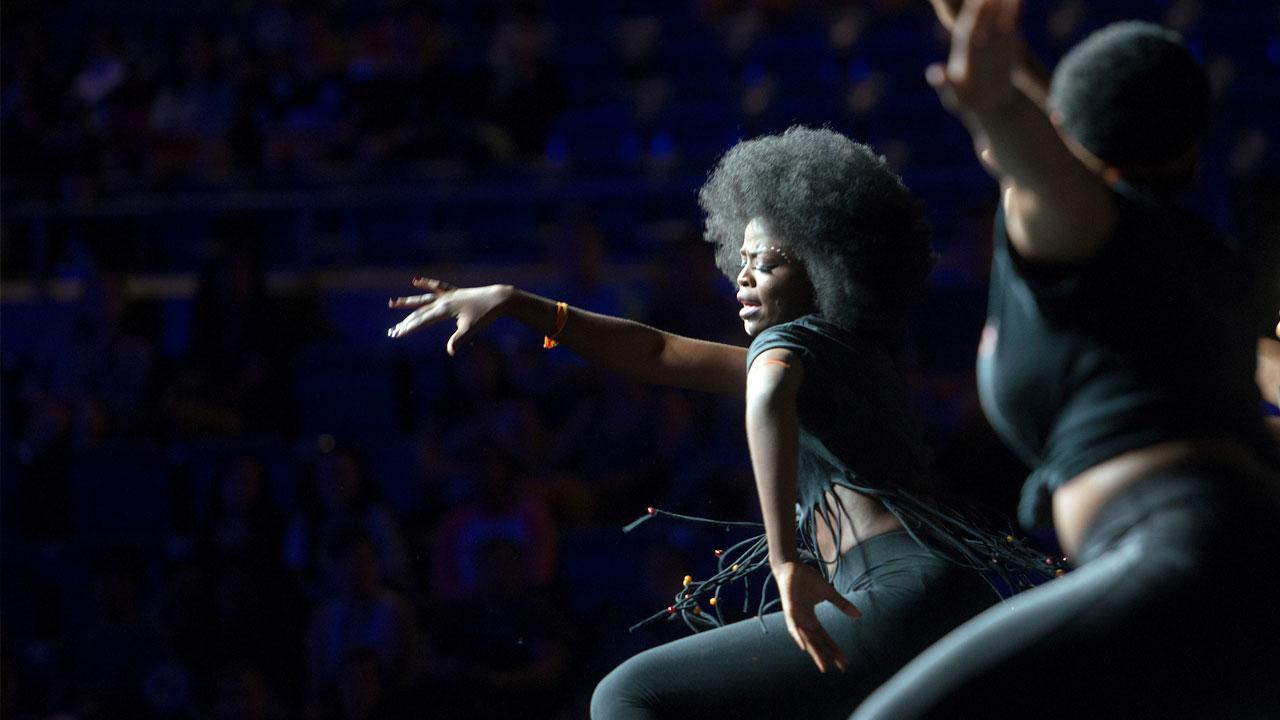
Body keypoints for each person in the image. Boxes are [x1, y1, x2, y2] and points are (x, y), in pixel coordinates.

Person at [388, 126, 1050, 719]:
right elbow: (656, 352)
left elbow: (768, 393)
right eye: (742, 260)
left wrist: (784, 561)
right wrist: (517, 302)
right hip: (938, 592)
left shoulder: (792, 345)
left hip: (891, 589)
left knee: (626, 694)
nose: (744, 277)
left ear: (826, 267)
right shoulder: (841, 356)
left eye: (768, 262)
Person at [852, 2, 1280, 718]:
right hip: (1234, 556)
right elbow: (1074, 146)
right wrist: (1005, 62)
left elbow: (1048, 169)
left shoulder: (1079, 227)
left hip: (1175, 543)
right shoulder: (1202, 261)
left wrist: (993, 107)